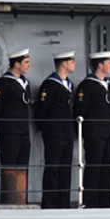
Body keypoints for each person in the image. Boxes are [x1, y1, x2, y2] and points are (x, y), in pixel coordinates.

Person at [74, 50, 110, 208]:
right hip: (94, 134)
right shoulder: (88, 85)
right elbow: (80, 109)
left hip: (107, 133)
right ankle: (90, 202)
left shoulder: (106, 84)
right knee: (93, 168)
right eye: (108, 63)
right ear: (100, 65)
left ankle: (106, 203)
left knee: (106, 169)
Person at [34, 50, 76, 209]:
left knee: (65, 169)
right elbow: (41, 109)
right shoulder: (50, 84)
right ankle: (50, 203)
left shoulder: (68, 84)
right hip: (54, 133)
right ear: (64, 63)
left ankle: (63, 202)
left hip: (66, 132)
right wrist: (45, 127)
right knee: (53, 168)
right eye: (71, 61)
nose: (74, 63)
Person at [0, 49, 33, 198]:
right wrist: (4, 128)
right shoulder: (4, 83)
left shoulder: (25, 83)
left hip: (24, 132)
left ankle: (21, 198)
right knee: (9, 167)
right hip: (10, 133)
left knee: (22, 168)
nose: (29, 65)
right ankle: (8, 199)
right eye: (26, 62)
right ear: (16, 64)